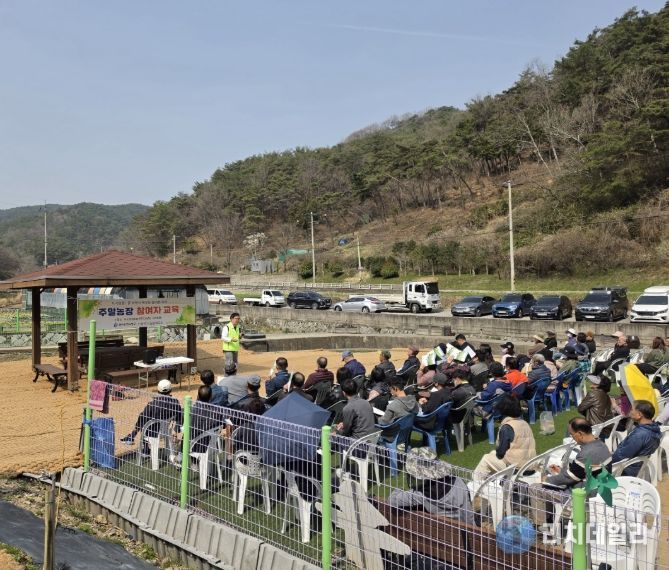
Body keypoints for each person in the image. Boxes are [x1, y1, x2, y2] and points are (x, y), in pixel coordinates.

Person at [474, 395, 536, 478]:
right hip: (529, 465)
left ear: (504, 409)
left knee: (486, 459)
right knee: (492, 453)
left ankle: (476, 482)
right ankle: (491, 480)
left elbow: (500, 453)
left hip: (517, 469)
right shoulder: (524, 423)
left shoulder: (507, 427)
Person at [544, 417, 612, 489]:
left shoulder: (586, 453)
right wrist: (561, 472)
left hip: (587, 492)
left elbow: (568, 479)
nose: (572, 438)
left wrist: (546, 480)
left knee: (539, 487)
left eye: (572, 434)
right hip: (601, 487)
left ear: (580, 434)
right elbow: (577, 473)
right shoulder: (602, 445)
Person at [389, 471, 474, 524]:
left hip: (440, 539)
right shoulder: (458, 481)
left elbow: (391, 501)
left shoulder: (420, 495)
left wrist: (399, 489)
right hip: (470, 535)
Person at [121, 380, 183, 445]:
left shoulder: (152, 404)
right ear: (170, 390)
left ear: (158, 390)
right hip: (166, 432)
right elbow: (179, 417)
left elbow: (143, 419)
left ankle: (134, 438)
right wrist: (175, 430)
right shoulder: (175, 403)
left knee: (143, 418)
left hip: (152, 433)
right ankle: (174, 437)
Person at [611, 400, 661, 476]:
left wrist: (606, 462)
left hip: (625, 470)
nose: (630, 411)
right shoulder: (654, 429)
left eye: (632, 409)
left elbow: (621, 456)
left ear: (639, 415)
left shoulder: (640, 435)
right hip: (636, 467)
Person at [190, 385, 228, 453]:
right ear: (211, 397)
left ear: (198, 396)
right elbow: (223, 425)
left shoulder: (192, 410)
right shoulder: (217, 411)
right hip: (210, 446)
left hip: (192, 445)